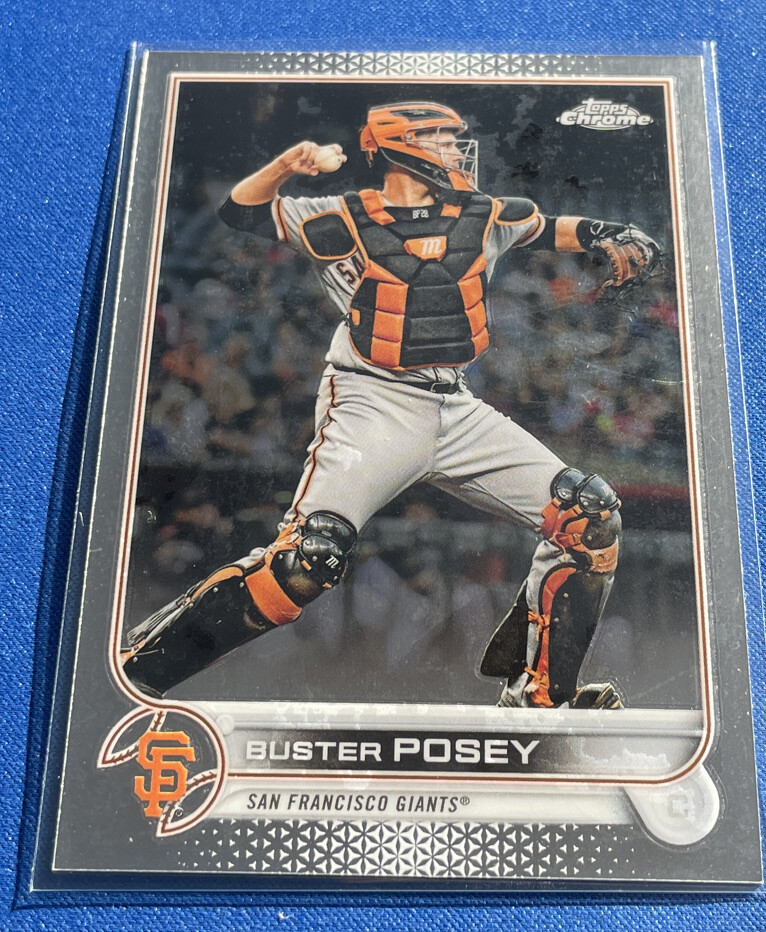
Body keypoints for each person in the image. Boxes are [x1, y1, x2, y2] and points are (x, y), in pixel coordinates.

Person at [122, 102, 660, 709]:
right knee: (306, 561)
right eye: (446, 140)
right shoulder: (340, 216)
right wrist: (287, 165)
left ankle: (541, 696)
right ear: (404, 145)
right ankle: (136, 674)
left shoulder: (480, 215)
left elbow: (551, 226)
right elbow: (241, 210)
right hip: (372, 400)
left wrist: (607, 232)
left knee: (589, 514)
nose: (459, 151)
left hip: (456, 407)